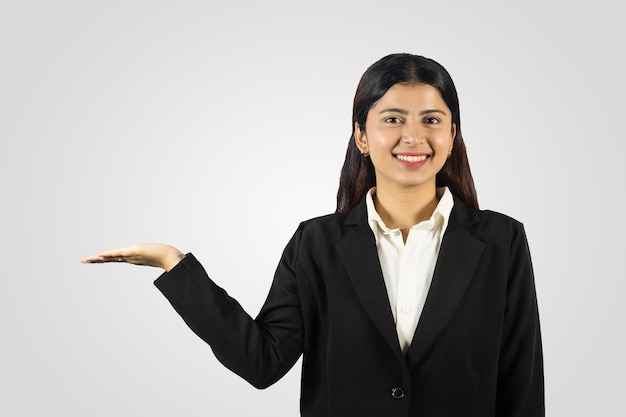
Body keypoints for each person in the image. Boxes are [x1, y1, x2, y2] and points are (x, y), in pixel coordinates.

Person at [82, 53, 544, 416]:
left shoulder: (503, 242)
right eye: (392, 119)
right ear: (362, 136)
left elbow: (521, 385)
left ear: (452, 133)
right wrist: (174, 265)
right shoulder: (317, 245)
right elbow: (261, 362)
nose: (413, 136)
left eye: (431, 119)